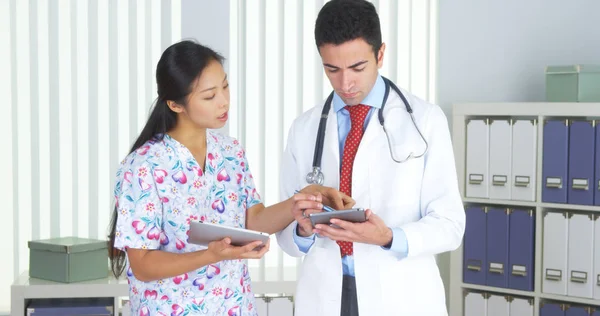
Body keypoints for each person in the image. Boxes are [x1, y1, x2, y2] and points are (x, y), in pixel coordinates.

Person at [107, 40, 332, 316]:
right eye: (209, 96)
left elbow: (253, 220)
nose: (224, 101)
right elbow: (142, 264)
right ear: (176, 105)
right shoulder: (143, 167)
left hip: (234, 306)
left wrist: (297, 204)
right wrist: (210, 255)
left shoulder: (230, 151)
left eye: (225, 86)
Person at [275, 1, 466, 315]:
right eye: (332, 69)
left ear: (380, 55)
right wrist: (303, 230)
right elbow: (286, 235)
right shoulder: (304, 129)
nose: (345, 83)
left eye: (357, 68)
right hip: (325, 294)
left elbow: (450, 225)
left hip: (400, 295)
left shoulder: (426, 120)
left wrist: (389, 237)